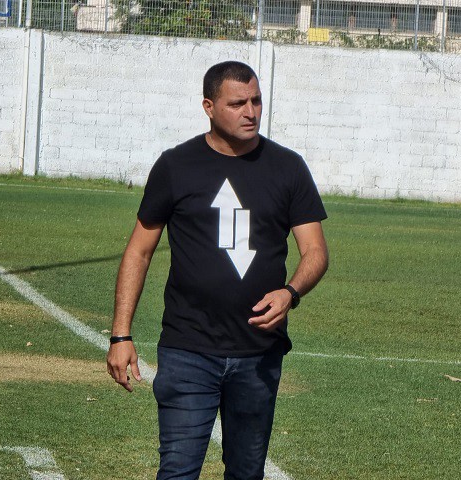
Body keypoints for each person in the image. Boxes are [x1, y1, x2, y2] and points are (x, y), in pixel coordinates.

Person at [106, 60, 329, 480]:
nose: (251, 112)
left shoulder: (288, 167)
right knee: (178, 470)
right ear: (209, 106)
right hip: (187, 349)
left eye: (256, 101)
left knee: (246, 473)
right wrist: (121, 334)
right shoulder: (176, 166)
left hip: (259, 352)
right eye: (237, 103)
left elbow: (315, 251)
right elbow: (139, 251)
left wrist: (291, 292)